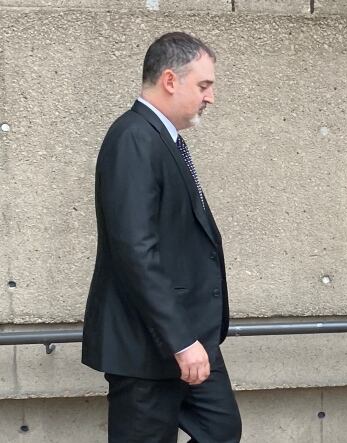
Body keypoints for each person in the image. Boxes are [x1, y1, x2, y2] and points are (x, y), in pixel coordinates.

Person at [81, 32, 241, 442]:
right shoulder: (134, 137)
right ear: (171, 80)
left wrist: (190, 338)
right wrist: (181, 340)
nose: (211, 97)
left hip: (187, 337)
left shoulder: (162, 138)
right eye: (204, 85)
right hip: (149, 345)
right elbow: (135, 250)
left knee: (221, 430)